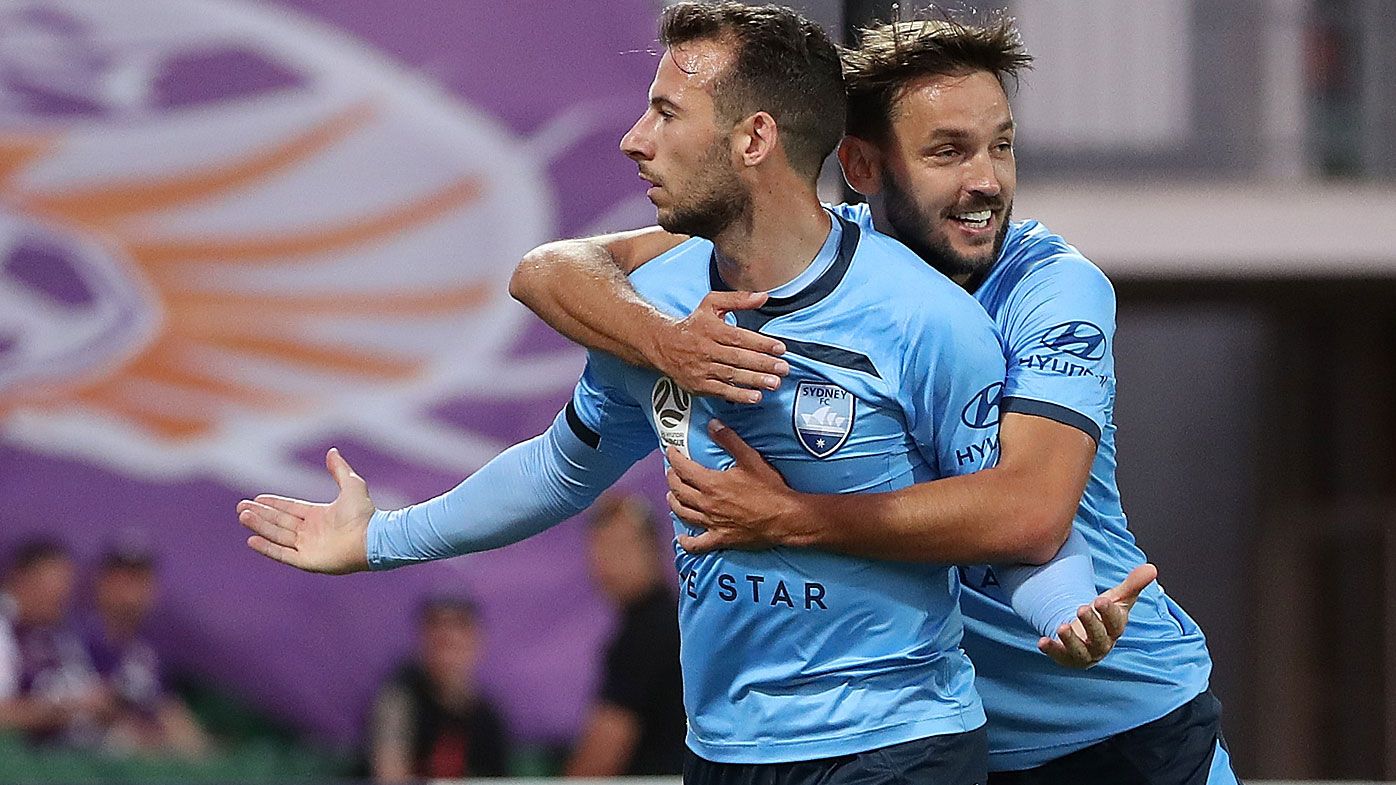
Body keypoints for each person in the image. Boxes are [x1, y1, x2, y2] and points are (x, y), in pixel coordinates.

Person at [236, 4, 1131, 784]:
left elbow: (994, 515)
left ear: (753, 140)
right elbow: (559, 468)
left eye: (667, 112)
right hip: (726, 748)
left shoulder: (927, 320)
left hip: (895, 743)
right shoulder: (654, 312)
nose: (636, 138)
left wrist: (1064, 607)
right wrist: (379, 538)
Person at [507, 10, 1240, 785]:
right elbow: (554, 269)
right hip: (966, 743)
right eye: (947, 152)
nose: (987, 180)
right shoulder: (813, 256)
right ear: (860, 166)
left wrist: (791, 520)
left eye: (1001, 145)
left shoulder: (1053, 286)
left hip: (1125, 722)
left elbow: (1029, 514)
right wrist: (666, 343)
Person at [566, 493, 684, 777]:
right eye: (598, 550)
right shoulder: (673, 621)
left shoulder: (647, 635)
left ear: (652, 551)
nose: (603, 564)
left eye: (619, 549)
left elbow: (602, 756)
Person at [83, 542, 211, 758]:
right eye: (124, 579)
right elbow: (97, 706)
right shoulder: (77, 636)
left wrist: (201, 755)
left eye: (141, 580)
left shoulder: (147, 650)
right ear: (102, 582)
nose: (131, 592)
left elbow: (168, 709)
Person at [367, 596, 510, 782]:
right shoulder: (399, 700)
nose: (448, 637)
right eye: (438, 631)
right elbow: (389, 776)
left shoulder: (486, 716)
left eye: (459, 629)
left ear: (476, 642)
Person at [0, 539, 112, 748]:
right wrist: (71, 708)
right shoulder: (5, 627)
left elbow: (89, 696)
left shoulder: (62, 633)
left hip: (78, 758)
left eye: (66, 584)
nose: (63, 594)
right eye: (54, 583)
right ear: (22, 579)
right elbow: (2, 714)